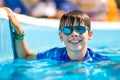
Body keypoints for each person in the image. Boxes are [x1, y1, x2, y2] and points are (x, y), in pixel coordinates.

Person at [3, 7, 109, 62]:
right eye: (68, 30)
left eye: (80, 29)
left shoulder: (99, 61)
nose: (74, 34)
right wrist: (18, 31)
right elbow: (25, 56)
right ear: (60, 36)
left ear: (89, 34)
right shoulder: (55, 54)